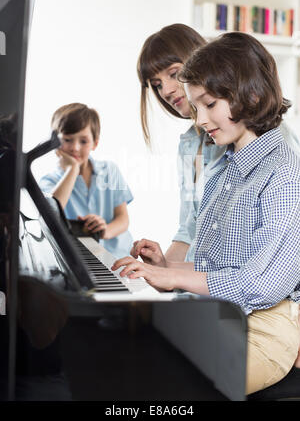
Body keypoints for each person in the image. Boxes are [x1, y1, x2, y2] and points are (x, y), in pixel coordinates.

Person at [113, 32, 300, 395]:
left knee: (156, 383)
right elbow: (217, 264)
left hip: (261, 330)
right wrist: (165, 268)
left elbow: (262, 283)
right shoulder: (228, 167)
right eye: (196, 107)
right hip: (218, 315)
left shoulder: (283, 170)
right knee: (116, 356)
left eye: (209, 104)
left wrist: (176, 280)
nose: (198, 120)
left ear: (252, 95)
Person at [137, 24, 300, 265]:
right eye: (157, 84)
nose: (167, 91)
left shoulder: (268, 139)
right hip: (202, 284)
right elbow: (189, 231)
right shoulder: (189, 144)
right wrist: (163, 269)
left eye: (173, 74)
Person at [39, 103, 133, 259]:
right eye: (67, 140)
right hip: (81, 260)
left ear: (95, 143)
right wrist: (72, 170)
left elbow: (123, 219)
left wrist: (104, 230)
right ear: (55, 144)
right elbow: (50, 217)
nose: (75, 148)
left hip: (118, 257)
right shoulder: (49, 182)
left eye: (83, 141)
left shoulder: (110, 170)